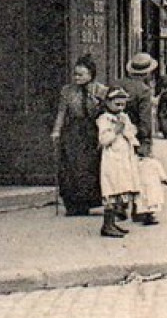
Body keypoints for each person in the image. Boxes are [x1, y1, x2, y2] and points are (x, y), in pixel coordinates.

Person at [51, 55, 106, 216]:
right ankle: (74, 204)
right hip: (73, 132)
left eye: (81, 74)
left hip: (93, 131)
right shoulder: (67, 91)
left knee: (91, 168)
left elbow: (106, 111)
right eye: (75, 74)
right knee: (71, 168)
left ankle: (91, 201)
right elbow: (62, 112)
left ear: (91, 75)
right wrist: (56, 130)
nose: (77, 77)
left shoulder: (100, 90)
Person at [96, 87, 142, 239]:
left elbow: (131, 133)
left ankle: (113, 223)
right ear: (108, 103)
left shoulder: (124, 117)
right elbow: (103, 140)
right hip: (112, 159)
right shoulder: (104, 119)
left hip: (124, 158)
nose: (120, 108)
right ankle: (107, 224)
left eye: (123, 105)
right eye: (117, 104)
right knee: (111, 188)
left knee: (120, 187)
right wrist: (115, 131)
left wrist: (129, 130)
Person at [115, 53, 158, 164]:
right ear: (147, 73)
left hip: (114, 133)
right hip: (134, 136)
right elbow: (145, 120)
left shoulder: (117, 83)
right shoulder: (144, 90)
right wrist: (146, 144)